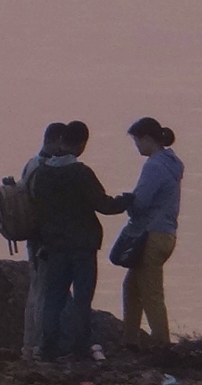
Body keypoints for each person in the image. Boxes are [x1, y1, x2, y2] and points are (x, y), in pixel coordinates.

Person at [27, 121, 127, 362]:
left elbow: (36, 209)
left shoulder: (41, 174)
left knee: (54, 298)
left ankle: (47, 347)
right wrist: (127, 201)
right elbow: (103, 205)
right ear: (82, 145)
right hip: (82, 246)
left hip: (54, 246)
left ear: (61, 141)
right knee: (82, 299)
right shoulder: (81, 173)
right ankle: (80, 347)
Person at [115, 118, 184, 346]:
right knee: (132, 287)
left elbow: (142, 202)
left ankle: (161, 344)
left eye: (136, 141)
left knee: (151, 293)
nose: (136, 146)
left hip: (151, 235)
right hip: (167, 234)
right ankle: (130, 339)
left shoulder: (154, 165)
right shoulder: (172, 164)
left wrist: (128, 203)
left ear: (146, 139)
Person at [19, 122, 69, 357]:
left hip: (33, 236)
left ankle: (30, 345)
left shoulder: (31, 164)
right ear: (57, 140)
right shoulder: (44, 168)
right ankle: (35, 345)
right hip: (43, 239)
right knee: (43, 292)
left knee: (36, 289)